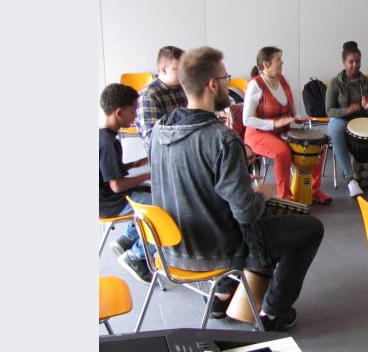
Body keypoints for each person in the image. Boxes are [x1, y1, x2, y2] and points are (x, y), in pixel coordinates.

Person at [149, 47, 324, 331]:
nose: (229, 84)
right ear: (212, 84)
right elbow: (245, 214)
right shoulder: (222, 139)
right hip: (217, 248)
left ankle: (220, 299)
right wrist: (260, 195)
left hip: (172, 249)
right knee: (310, 228)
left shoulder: (160, 130)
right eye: (226, 77)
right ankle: (273, 312)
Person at [243, 46, 331, 204]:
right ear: (266, 64)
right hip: (257, 134)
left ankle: (314, 189)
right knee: (282, 152)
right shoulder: (255, 85)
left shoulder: (283, 81)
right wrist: (274, 123)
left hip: (282, 133)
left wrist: (296, 118)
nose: (282, 62)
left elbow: (290, 112)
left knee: (319, 147)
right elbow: (247, 120)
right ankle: (286, 197)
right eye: (278, 60)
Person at [99, 83, 154, 284]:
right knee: (162, 209)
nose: (135, 116)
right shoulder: (109, 144)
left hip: (106, 198)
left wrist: (135, 164)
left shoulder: (103, 136)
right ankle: (137, 256)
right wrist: (147, 174)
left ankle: (127, 240)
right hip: (110, 203)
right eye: (133, 111)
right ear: (119, 112)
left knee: (147, 193)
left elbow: (108, 171)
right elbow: (116, 185)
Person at [326, 41, 368, 197]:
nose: (355, 65)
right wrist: (348, 110)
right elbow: (329, 111)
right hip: (341, 120)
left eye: (358, 61)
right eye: (351, 62)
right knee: (336, 130)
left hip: (362, 120)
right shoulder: (335, 83)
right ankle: (350, 180)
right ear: (344, 62)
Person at [135, 46, 187, 153]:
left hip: (184, 149)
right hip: (164, 156)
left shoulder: (183, 88)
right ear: (163, 70)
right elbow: (151, 140)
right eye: (179, 69)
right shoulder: (149, 95)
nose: (184, 73)